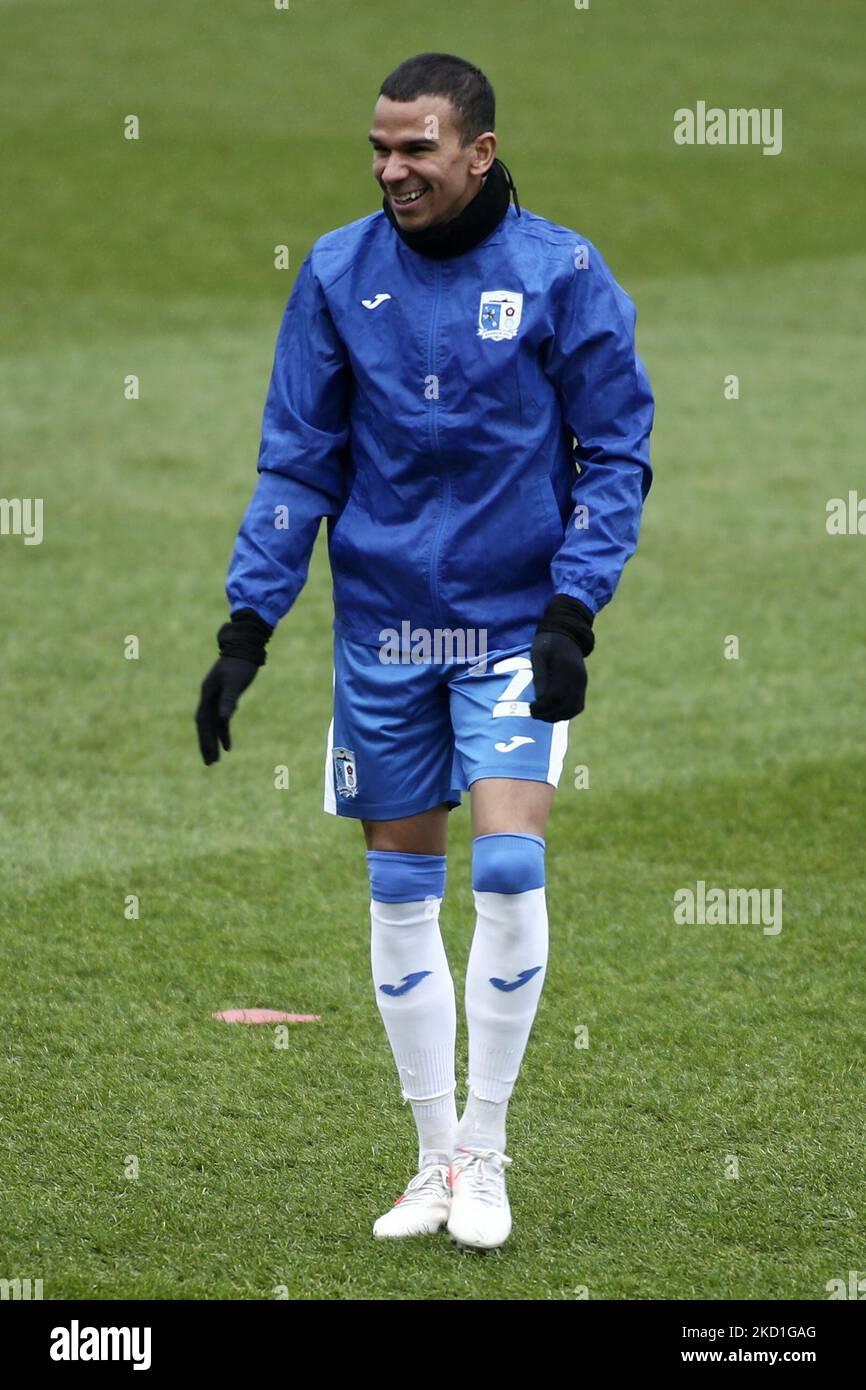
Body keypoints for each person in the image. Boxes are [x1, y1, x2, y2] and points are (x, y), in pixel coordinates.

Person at [196, 52, 654, 1251]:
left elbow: (615, 452)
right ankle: (428, 1161)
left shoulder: (560, 272)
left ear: (479, 152)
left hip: (511, 626)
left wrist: (571, 612)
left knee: (505, 869)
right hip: (388, 631)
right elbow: (300, 461)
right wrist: (248, 625)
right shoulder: (339, 273)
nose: (392, 169)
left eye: (416, 148)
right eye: (378, 149)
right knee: (401, 890)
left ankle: (485, 1155)